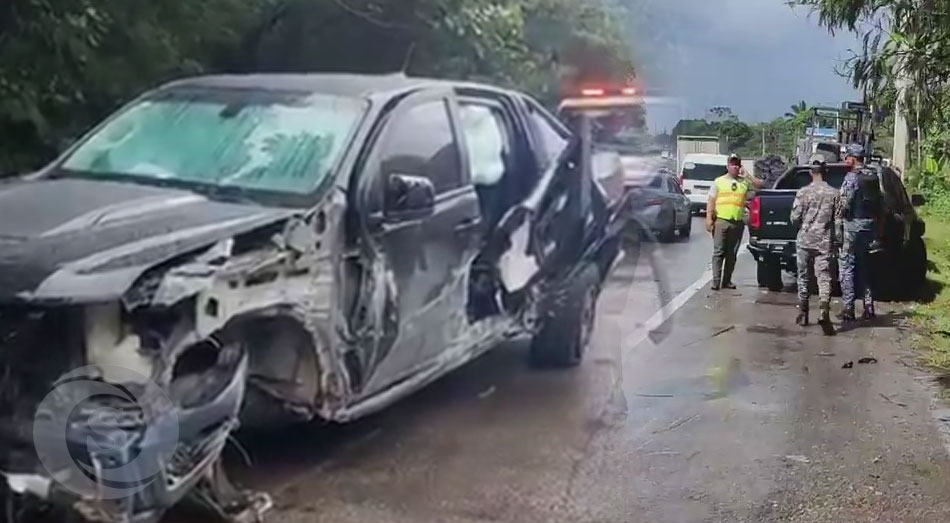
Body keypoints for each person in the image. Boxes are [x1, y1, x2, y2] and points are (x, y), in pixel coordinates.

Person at [791, 156, 839, 333]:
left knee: (803, 276)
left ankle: (803, 312)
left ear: (811, 172)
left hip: (804, 240)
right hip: (824, 242)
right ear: (825, 171)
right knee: (823, 277)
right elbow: (839, 220)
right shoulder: (834, 194)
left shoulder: (803, 192)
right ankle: (823, 310)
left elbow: (794, 218)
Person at [836, 144, 883, 321]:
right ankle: (869, 306)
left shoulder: (852, 177)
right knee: (865, 267)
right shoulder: (873, 175)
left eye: (847, 156)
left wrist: (838, 220)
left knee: (847, 267)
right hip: (869, 227)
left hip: (853, 227)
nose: (845, 160)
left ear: (853, 158)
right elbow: (880, 203)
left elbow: (845, 203)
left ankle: (848, 308)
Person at [706, 155, 765, 290]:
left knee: (732, 254)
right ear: (727, 166)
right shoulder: (719, 181)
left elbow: (760, 186)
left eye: (737, 164)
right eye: (732, 164)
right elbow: (711, 201)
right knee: (719, 252)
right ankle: (716, 281)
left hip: (737, 223)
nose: (735, 167)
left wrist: (748, 175)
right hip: (721, 221)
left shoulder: (744, 182)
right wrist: (709, 218)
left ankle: (727, 281)